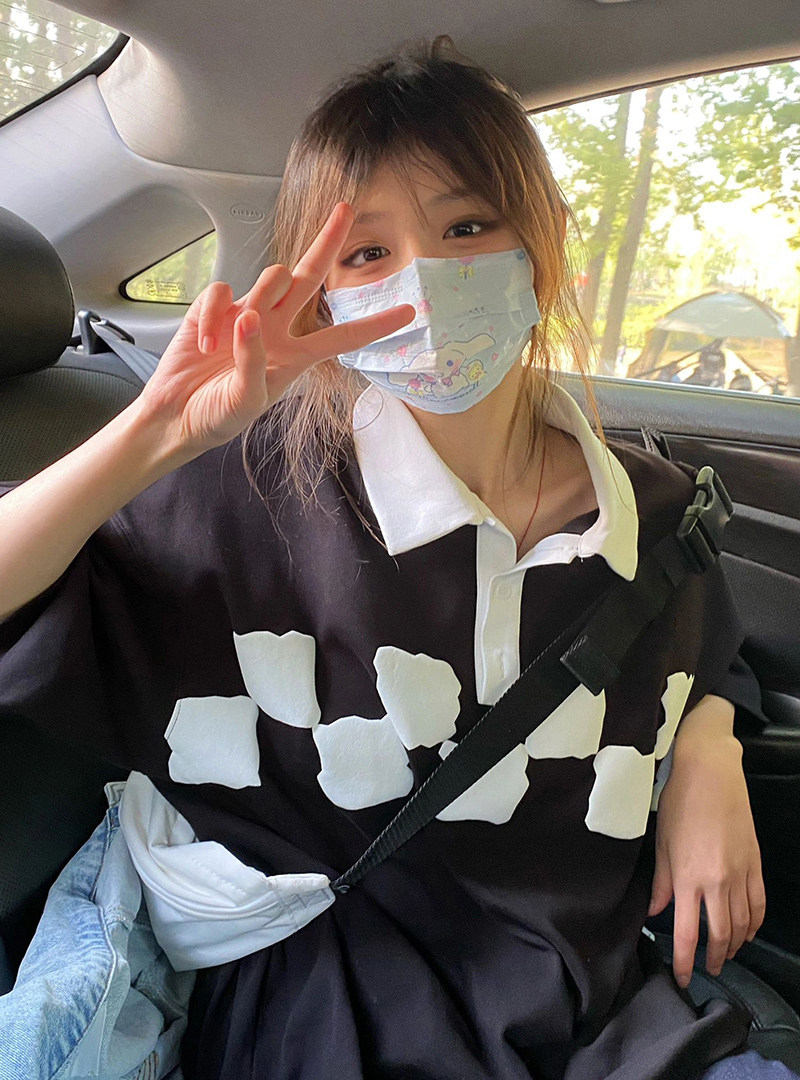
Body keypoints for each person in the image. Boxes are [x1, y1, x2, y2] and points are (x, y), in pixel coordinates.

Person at [0, 36, 787, 1080]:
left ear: (542, 243)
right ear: (319, 293)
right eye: (366, 253)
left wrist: (709, 752)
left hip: (605, 1014)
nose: (427, 279)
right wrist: (157, 434)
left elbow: (703, 648)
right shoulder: (240, 505)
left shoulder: (653, 509)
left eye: (466, 227)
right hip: (330, 1016)